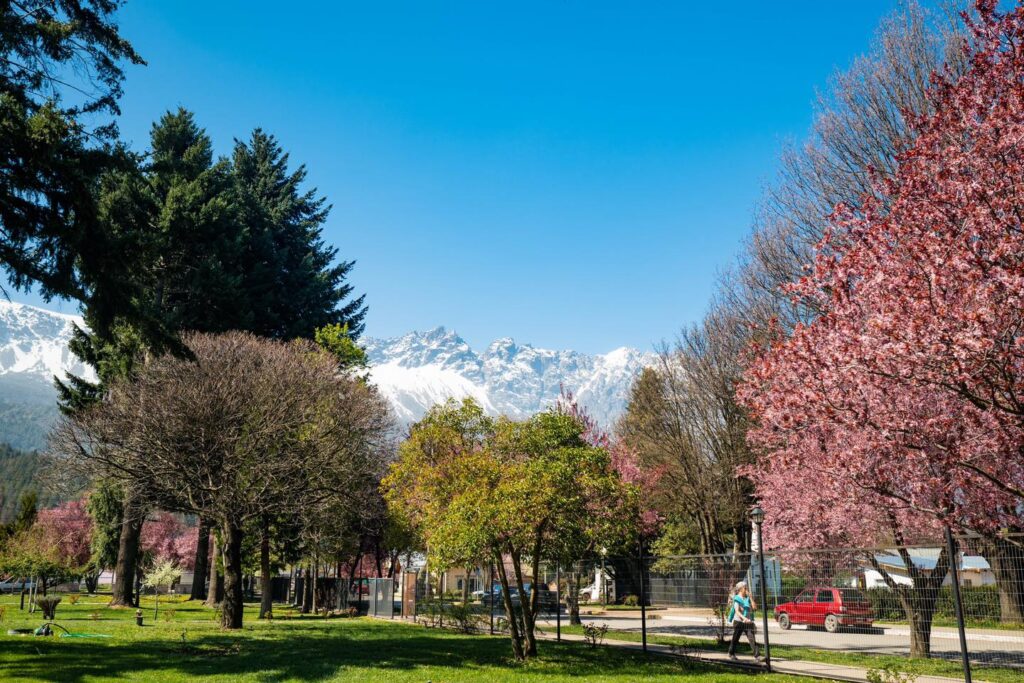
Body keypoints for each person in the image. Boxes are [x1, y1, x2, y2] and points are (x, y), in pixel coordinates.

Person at [727, 581, 760, 660]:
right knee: (735, 638)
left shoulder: (748, 598)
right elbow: (737, 611)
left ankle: (757, 656)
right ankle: (731, 653)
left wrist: (751, 598)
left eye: (746, 587)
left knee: (751, 638)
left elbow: (755, 608)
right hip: (739, 622)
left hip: (748, 622)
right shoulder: (737, 598)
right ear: (741, 589)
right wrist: (744, 618)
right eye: (745, 588)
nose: (747, 589)